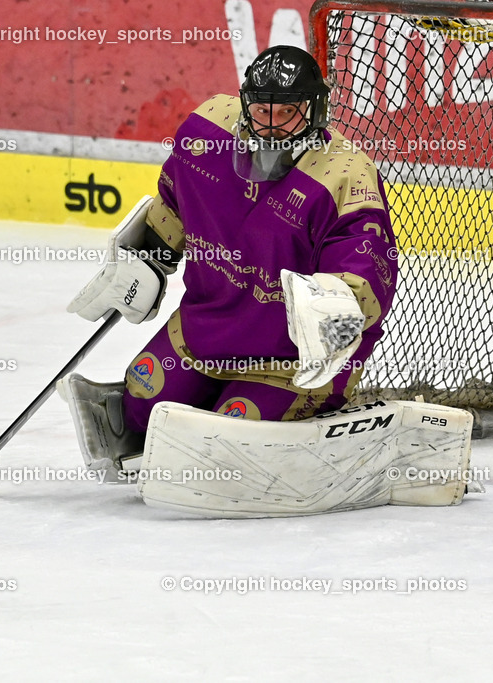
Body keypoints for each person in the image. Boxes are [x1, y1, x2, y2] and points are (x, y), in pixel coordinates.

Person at [60, 45, 398, 475]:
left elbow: (367, 272)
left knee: (228, 445)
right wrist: (142, 261)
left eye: (288, 114)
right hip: (206, 330)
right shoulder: (207, 132)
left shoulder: (342, 174)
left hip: (286, 361)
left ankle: (331, 429)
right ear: (244, 104)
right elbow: (173, 205)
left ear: (314, 111)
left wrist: (334, 308)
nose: (272, 126)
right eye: (261, 111)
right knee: (140, 410)